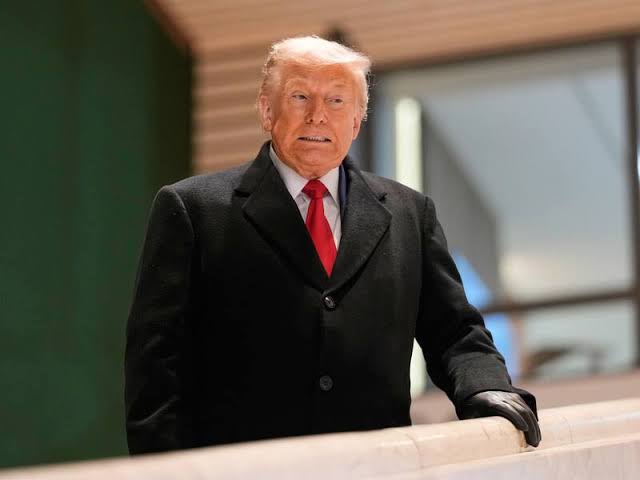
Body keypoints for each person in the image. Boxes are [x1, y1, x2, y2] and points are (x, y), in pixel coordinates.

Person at [124, 35, 541, 455]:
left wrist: (485, 387)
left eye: (337, 101)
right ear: (267, 110)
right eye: (300, 97)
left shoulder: (411, 214)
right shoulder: (193, 209)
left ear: (357, 120)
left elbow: (454, 331)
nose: (318, 115)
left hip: (377, 464)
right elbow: (156, 365)